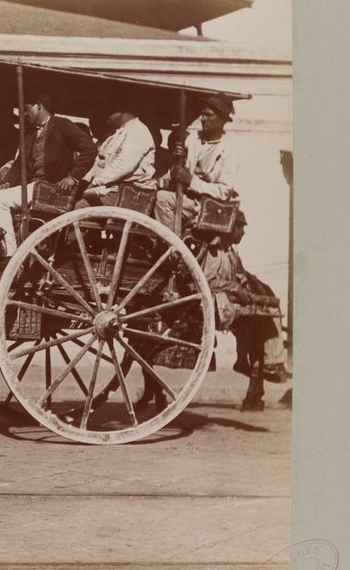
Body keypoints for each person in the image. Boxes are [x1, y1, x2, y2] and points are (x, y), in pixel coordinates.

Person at [200, 211, 290, 410]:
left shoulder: (231, 252)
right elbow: (207, 280)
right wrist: (236, 288)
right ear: (230, 226)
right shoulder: (215, 250)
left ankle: (257, 372)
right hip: (218, 302)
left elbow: (239, 276)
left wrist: (249, 284)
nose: (243, 232)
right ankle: (265, 365)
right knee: (263, 317)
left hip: (231, 299)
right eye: (240, 227)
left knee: (266, 307)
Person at [0, 93, 97, 255]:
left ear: (39, 105)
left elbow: (90, 149)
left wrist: (73, 177)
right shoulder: (31, 133)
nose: (24, 114)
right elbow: (20, 163)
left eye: (26, 109)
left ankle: (10, 254)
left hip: (52, 188)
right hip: (36, 187)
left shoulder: (62, 125)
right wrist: (8, 182)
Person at [154, 94, 240, 231]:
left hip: (207, 205)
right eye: (202, 114)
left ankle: (170, 246)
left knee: (162, 199)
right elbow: (180, 172)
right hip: (186, 197)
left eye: (209, 115)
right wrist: (177, 160)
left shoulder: (229, 150)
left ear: (223, 119)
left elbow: (224, 192)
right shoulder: (193, 139)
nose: (203, 119)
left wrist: (190, 181)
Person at [75, 111, 156, 207]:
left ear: (122, 112)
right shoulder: (115, 135)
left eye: (110, 112)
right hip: (112, 187)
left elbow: (124, 165)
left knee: (80, 205)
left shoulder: (138, 131)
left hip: (131, 191)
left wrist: (95, 182)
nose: (106, 117)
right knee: (73, 196)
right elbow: (99, 163)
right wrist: (84, 181)